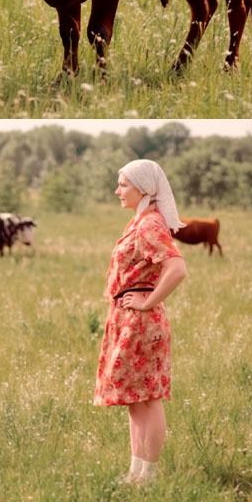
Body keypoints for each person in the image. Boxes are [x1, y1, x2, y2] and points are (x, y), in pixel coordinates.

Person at [94, 159, 187, 484]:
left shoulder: (149, 225)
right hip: (128, 318)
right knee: (136, 400)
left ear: (144, 188)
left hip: (141, 321)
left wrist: (147, 301)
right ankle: (136, 473)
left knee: (147, 399)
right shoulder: (139, 222)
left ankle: (149, 475)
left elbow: (177, 268)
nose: (117, 190)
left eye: (123, 185)